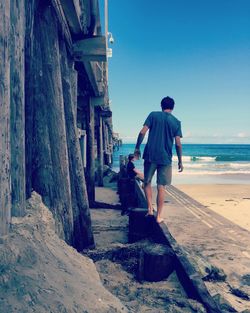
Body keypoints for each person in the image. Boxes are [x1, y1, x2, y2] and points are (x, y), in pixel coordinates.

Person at [134, 96, 183, 223]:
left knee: (147, 182)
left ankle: (150, 209)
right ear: (173, 107)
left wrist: (137, 148)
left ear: (161, 106)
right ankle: (159, 216)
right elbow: (178, 144)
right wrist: (180, 161)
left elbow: (142, 132)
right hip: (165, 157)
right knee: (161, 186)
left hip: (150, 154)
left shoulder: (153, 115)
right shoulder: (176, 122)